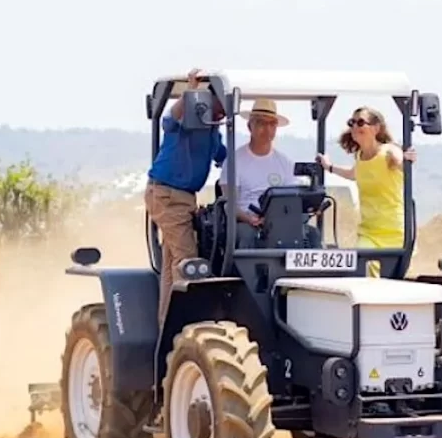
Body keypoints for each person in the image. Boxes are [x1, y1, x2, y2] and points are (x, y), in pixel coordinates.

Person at [144, 68, 227, 324]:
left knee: (173, 266)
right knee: (188, 262)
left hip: (185, 199)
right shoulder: (186, 122)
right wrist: (191, 92)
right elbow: (169, 120)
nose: (223, 113)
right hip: (167, 195)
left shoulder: (213, 132)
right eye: (220, 105)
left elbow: (225, 158)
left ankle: (168, 329)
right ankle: (187, 328)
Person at [316, 106, 416, 276]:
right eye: (352, 123)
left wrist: (407, 159)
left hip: (396, 232)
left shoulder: (389, 151)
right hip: (369, 232)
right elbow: (353, 174)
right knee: (362, 270)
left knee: (393, 281)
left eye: (361, 122)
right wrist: (329, 167)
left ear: (376, 128)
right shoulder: (359, 156)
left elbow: (401, 162)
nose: (355, 126)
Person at [218, 98, 320, 248]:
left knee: (312, 234)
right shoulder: (234, 161)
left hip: (280, 221)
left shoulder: (285, 163)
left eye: (272, 124)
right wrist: (249, 218)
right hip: (247, 221)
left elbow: (292, 199)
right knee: (246, 235)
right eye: (261, 123)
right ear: (250, 126)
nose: (267, 129)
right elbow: (230, 205)